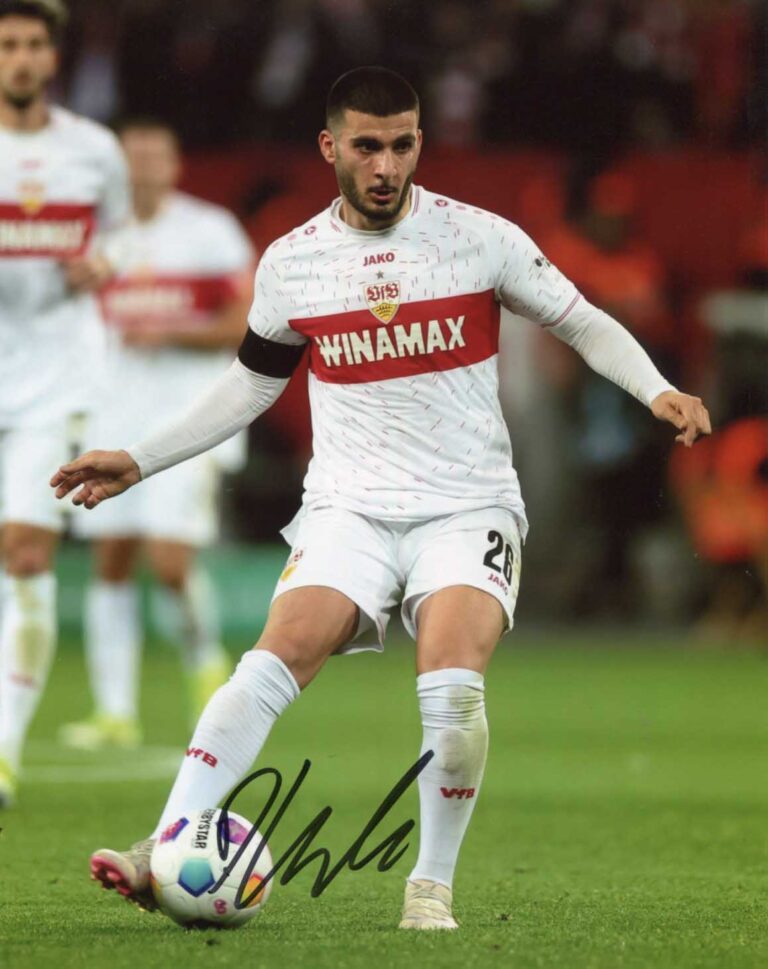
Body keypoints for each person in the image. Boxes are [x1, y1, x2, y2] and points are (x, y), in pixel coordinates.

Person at [52, 67, 711, 929]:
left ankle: (429, 885)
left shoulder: (478, 239)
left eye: (402, 145)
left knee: (451, 688)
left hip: (466, 505)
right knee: (276, 654)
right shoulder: (294, 263)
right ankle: (165, 842)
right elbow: (250, 385)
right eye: (367, 146)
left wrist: (656, 388)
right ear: (330, 146)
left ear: (420, 142)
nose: (386, 165)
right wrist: (140, 459)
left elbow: (579, 318)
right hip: (349, 507)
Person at [60, 119, 255, 750]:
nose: (142, 169)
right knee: (111, 560)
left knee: (170, 563)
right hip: (109, 415)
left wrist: (169, 333)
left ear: (175, 166)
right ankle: (114, 712)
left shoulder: (209, 231)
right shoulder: (95, 234)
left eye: (154, 157)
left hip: (188, 422)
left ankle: (205, 663)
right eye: (132, 158)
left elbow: (248, 322)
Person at [0, 0, 130, 807]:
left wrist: (107, 261)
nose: (19, 57)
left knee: (26, 553)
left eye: (32, 45)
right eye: (7, 44)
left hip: (56, 383)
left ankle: (3, 752)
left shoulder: (93, 150)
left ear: (53, 57)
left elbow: (122, 233)